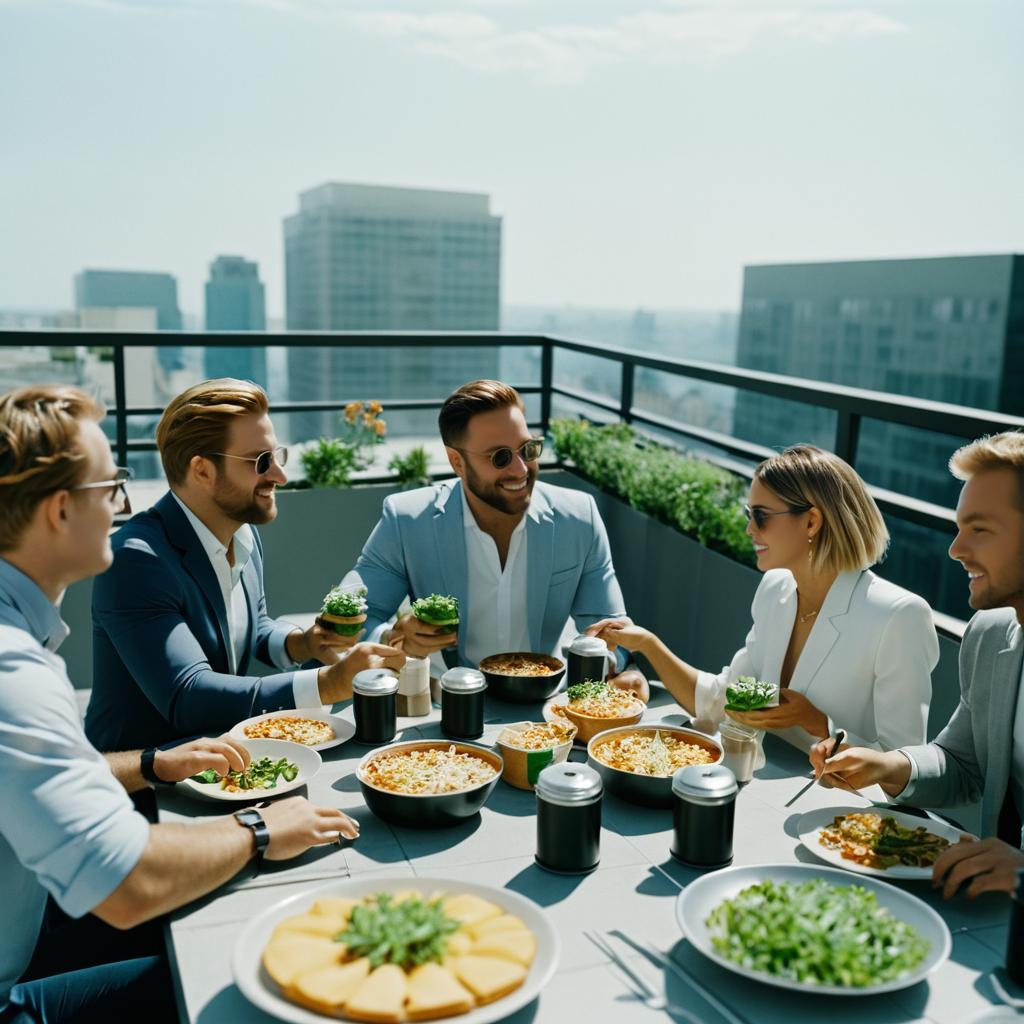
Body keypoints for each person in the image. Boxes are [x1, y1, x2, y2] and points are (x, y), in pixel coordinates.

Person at [0, 385, 360, 1023]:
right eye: (109, 487)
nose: (121, 504)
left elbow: (30, 764)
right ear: (59, 510)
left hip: (46, 909)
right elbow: (126, 884)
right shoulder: (14, 668)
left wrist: (150, 763)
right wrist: (260, 829)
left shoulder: (20, 642)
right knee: (248, 978)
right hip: (31, 966)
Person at [88, 379, 404, 751]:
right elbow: (187, 695)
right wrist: (328, 682)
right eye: (260, 461)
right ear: (202, 470)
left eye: (276, 456)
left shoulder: (242, 533)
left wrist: (304, 642)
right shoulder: (137, 560)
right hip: (144, 783)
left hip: (219, 756)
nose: (279, 476)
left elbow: (250, 629)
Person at [588, 444, 938, 759]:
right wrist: (647, 644)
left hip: (840, 815)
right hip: (764, 788)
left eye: (761, 516)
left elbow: (906, 766)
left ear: (812, 521)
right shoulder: (776, 590)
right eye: (748, 514)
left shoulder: (898, 616)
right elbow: (720, 701)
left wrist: (818, 723)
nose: (749, 529)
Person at [812, 432, 1024, 899]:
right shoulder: (990, 636)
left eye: (980, 529)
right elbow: (963, 762)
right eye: (959, 528)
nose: (956, 549)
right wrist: (888, 765)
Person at [343, 379, 648, 697]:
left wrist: (615, 664)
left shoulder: (579, 517)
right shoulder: (406, 519)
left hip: (545, 706)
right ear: (457, 462)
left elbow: (612, 628)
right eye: (500, 457)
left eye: (527, 450)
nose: (520, 470)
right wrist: (392, 637)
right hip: (443, 703)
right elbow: (350, 619)